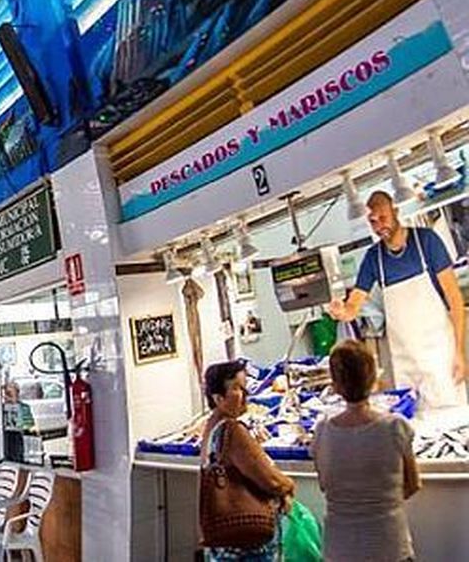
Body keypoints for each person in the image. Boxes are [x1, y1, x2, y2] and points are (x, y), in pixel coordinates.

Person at [327, 191, 468, 413]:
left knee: (453, 417)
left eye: (383, 218)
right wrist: (340, 311)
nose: (379, 225)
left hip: (441, 357)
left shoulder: (426, 241)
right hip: (405, 362)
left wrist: (459, 352)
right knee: (414, 420)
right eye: (373, 221)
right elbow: (353, 307)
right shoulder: (374, 257)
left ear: (395, 211)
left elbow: (454, 299)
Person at [313, 341, 420, 562]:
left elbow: (324, 484)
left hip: (341, 550)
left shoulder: (322, 431)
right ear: (373, 379)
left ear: (335, 385)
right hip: (389, 545)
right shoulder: (395, 427)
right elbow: (412, 485)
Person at [199, 361, 295, 562]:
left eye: (244, 387)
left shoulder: (211, 426)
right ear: (218, 398)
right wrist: (288, 485)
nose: (245, 395)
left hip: (223, 544)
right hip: (247, 543)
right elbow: (269, 479)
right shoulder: (232, 430)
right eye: (236, 388)